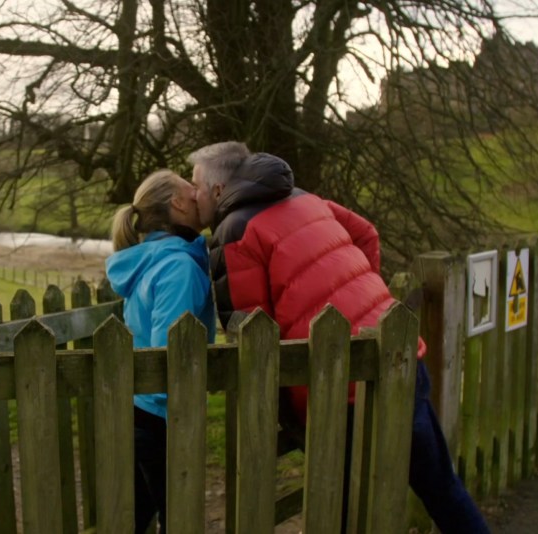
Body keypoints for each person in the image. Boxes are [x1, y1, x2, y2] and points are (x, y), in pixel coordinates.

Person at [188, 142, 489, 533]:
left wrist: (284, 409)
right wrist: (363, 300)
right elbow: (367, 234)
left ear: (216, 190)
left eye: (195, 185)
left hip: (339, 390)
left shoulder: (234, 231)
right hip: (399, 358)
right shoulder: (304, 197)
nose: (191, 194)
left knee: (343, 508)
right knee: (441, 488)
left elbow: (255, 332)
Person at [105, 169, 217, 534]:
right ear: (177, 203)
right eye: (191, 189)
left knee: (138, 519)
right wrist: (178, 416)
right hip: (162, 418)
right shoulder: (177, 267)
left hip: (141, 411)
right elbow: (170, 352)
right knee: (179, 519)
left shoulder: (154, 258)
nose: (200, 194)